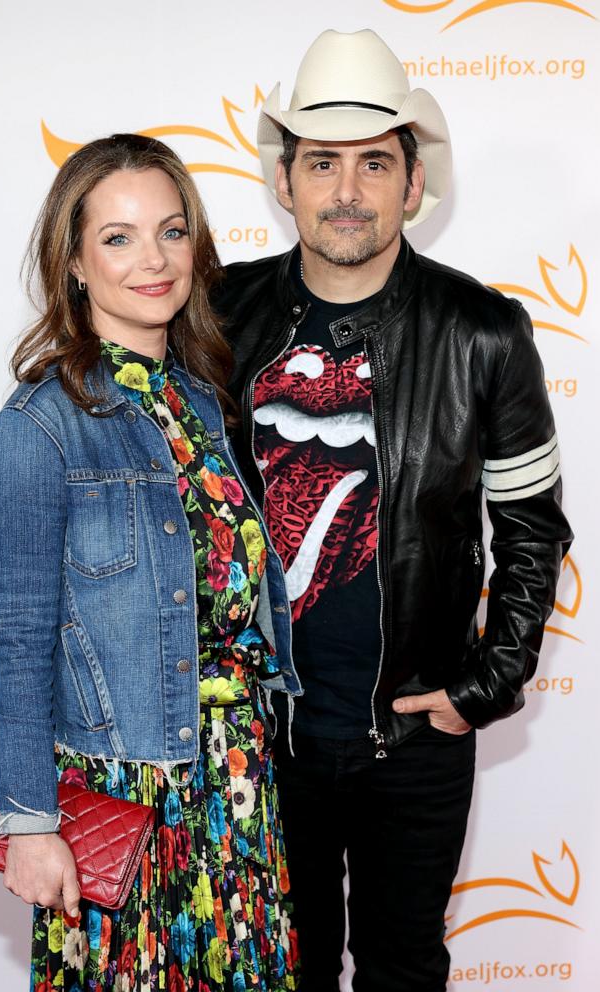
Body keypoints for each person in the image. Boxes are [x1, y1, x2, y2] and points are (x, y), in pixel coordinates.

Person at [213, 29, 573, 992]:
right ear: (282, 181)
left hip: (410, 740)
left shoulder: (485, 332)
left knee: (403, 970)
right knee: (277, 971)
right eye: (320, 163)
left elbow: (532, 530)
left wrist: (485, 687)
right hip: (260, 735)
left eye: (374, 163)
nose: (346, 191)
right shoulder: (216, 316)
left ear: (413, 184)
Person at [0, 133, 301, 992]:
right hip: (125, 793)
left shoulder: (201, 402)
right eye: (118, 238)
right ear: (75, 262)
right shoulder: (37, 429)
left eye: (171, 231)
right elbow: (17, 645)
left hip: (236, 783)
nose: (152, 260)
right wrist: (28, 823)